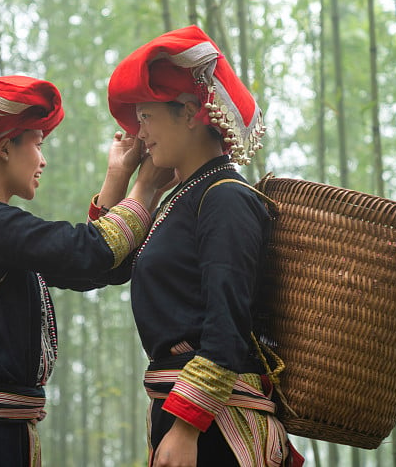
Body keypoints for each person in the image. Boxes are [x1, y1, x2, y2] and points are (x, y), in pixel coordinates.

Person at [0, 75, 167, 467]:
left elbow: (99, 270)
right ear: (3, 148)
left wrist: (118, 176)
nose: (43, 159)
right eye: (37, 143)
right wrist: (145, 188)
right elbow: (90, 252)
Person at [91, 26, 305, 467]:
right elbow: (107, 263)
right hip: (185, 408)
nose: (139, 133)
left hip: (213, 421)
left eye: (146, 117)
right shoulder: (184, 198)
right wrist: (124, 178)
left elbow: (226, 324)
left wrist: (188, 425)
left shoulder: (225, 196)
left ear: (189, 112)